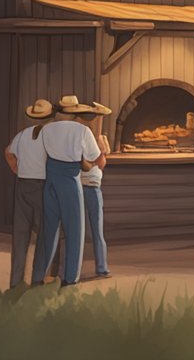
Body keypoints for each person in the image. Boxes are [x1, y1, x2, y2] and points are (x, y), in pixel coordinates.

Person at [34, 95, 105, 287]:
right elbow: (94, 156)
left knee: (49, 229)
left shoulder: (46, 129)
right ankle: (70, 278)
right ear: (75, 111)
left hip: (50, 177)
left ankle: (38, 276)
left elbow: (40, 154)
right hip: (70, 178)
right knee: (75, 230)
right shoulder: (82, 130)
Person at [4, 98, 54, 289]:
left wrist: (16, 168)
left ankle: (16, 282)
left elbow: (8, 152)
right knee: (44, 232)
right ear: (51, 116)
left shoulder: (22, 134)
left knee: (21, 234)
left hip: (22, 183)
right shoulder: (51, 136)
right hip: (42, 185)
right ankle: (38, 279)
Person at [75, 110, 111, 279]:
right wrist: (100, 153)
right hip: (88, 186)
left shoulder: (75, 136)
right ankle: (101, 269)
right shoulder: (84, 136)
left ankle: (76, 270)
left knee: (79, 230)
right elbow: (101, 163)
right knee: (96, 230)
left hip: (81, 186)